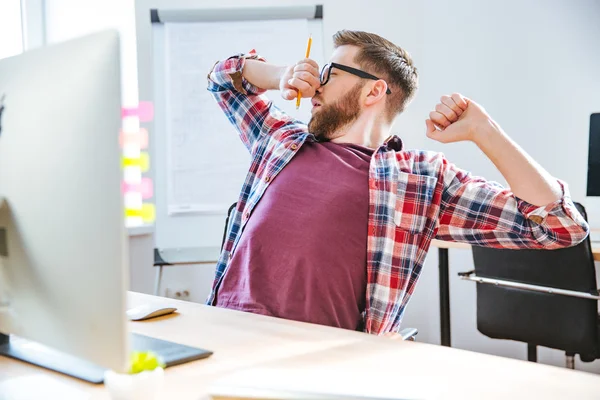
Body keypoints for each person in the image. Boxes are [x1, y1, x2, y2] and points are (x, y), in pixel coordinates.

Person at [204, 30, 589, 335]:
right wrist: (280, 74)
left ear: (374, 90)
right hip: (225, 331)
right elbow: (222, 79)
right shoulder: (280, 139)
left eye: (330, 75)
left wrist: (485, 131)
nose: (316, 86)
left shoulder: (419, 179)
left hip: (317, 361)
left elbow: (560, 226)